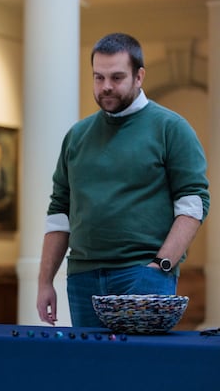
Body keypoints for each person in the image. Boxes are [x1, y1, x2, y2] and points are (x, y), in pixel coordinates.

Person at [36, 33, 210, 328]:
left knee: (140, 370)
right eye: (98, 77)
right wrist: (44, 281)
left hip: (142, 273)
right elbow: (59, 212)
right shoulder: (77, 136)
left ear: (139, 76)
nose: (106, 87)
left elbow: (193, 203)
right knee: (91, 370)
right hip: (82, 278)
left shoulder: (171, 128)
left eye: (116, 77)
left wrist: (161, 266)